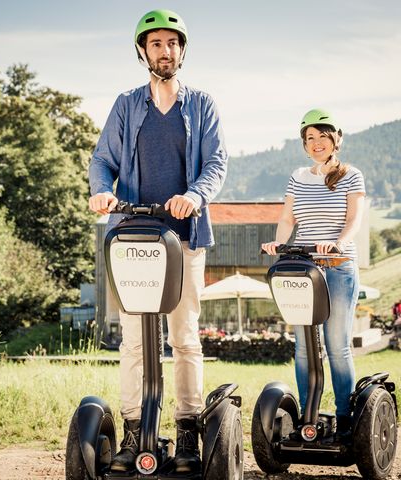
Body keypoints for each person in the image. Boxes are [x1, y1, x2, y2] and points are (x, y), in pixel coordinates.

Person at [88, 9, 228, 473]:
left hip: (184, 237)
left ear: (181, 51)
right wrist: (101, 191)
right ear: (143, 51)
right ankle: (134, 431)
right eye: (155, 44)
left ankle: (188, 430)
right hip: (133, 236)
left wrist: (194, 195)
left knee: (184, 336)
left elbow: (216, 163)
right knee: (133, 340)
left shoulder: (201, 104)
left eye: (172, 43)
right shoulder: (127, 104)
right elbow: (102, 158)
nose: (164, 51)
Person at [262, 108, 365, 438]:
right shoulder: (298, 177)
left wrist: (337, 243)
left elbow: (353, 221)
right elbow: (288, 219)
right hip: (304, 271)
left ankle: (345, 417)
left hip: (337, 268)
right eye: (310, 138)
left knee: (337, 345)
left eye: (322, 136)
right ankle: (310, 418)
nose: (316, 143)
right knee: (304, 346)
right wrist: (278, 243)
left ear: (336, 139)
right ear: (304, 144)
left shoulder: (351, 175)